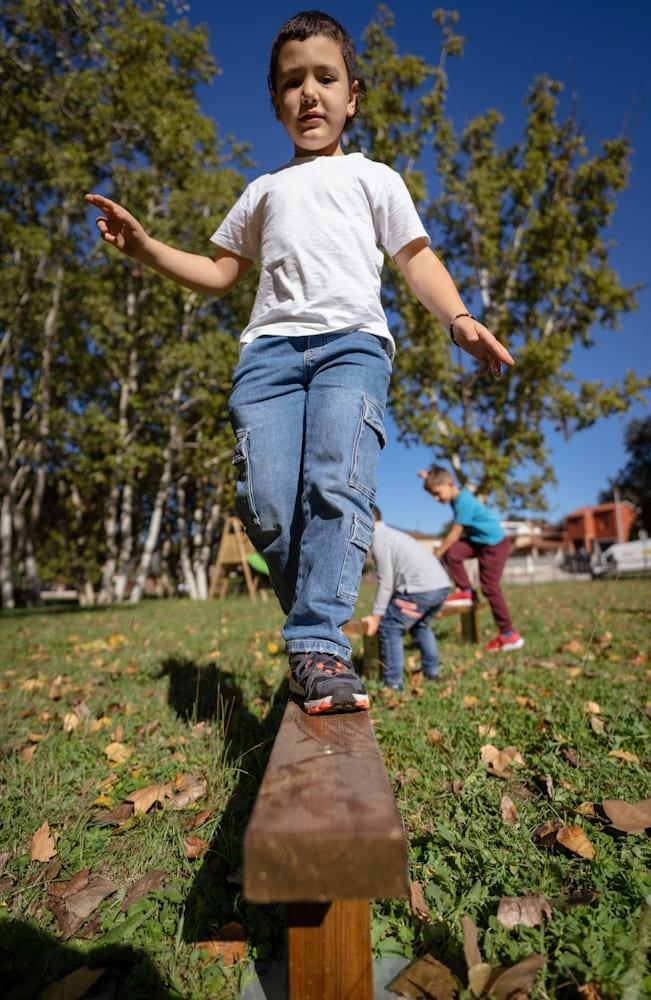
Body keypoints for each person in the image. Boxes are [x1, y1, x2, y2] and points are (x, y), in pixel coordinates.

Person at [85, 11, 514, 715]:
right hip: (267, 357)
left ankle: (317, 642)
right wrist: (145, 248)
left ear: (353, 96)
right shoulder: (263, 191)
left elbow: (415, 258)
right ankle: (312, 630)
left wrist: (458, 318)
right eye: (292, 82)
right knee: (268, 507)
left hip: (353, 346)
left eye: (325, 78)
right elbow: (221, 273)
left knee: (333, 485)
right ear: (276, 102)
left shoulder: (375, 178)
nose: (308, 93)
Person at [420, 466, 524, 652]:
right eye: (433, 496)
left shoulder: (464, 502)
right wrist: (427, 477)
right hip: (478, 542)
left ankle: (509, 635)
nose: (436, 499)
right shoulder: (453, 490)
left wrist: (436, 554)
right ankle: (466, 591)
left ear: (449, 484)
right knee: (454, 554)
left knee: (490, 588)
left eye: (437, 494)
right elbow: (442, 479)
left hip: (494, 545)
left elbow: (453, 535)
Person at [362, 507, 450, 690]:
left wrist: (377, 615)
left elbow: (386, 581)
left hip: (421, 590)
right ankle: (432, 672)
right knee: (420, 626)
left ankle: (393, 682)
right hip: (440, 586)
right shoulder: (392, 535)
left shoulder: (380, 539)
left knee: (390, 627)